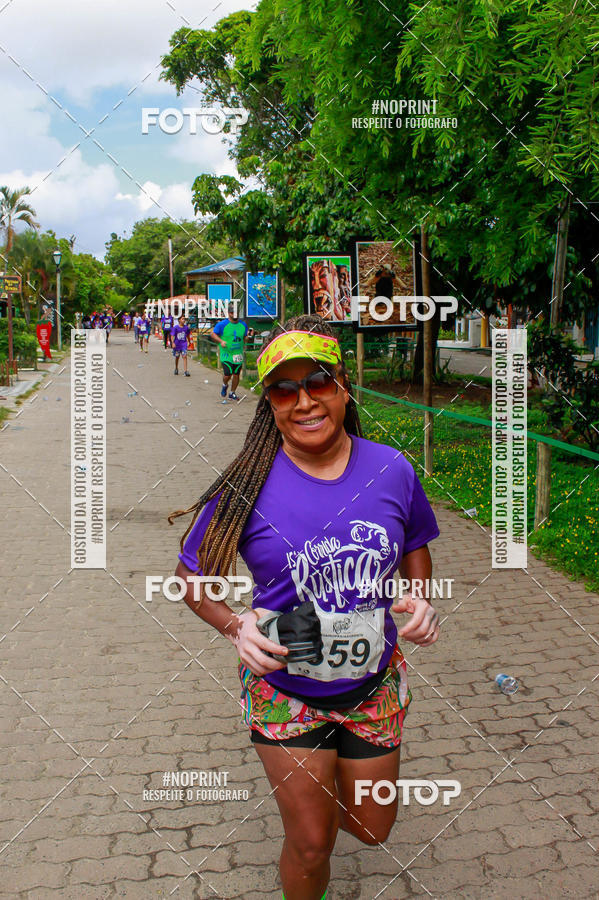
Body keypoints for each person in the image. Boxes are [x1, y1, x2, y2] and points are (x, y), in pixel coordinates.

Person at [170, 315, 440, 900]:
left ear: (342, 384)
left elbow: (415, 540)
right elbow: (191, 578)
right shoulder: (245, 485)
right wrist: (234, 624)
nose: (304, 401)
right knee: (313, 842)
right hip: (283, 691)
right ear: (268, 402)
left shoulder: (391, 470)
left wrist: (419, 594)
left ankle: (324, 789)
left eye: (317, 382)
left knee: (371, 828)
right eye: (283, 389)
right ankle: (307, 809)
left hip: (372, 687)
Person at [210, 301, 253, 401]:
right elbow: (213, 334)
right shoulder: (222, 324)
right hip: (226, 354)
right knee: (228, 374)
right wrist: (221, 341)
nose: (235, 315)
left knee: (236, 374)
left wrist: (249, 336)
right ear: (229, 313)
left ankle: (232, 392)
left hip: (238, 354)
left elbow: (245, 339)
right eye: (233, 312)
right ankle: (225, 384)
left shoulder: (243, 325)